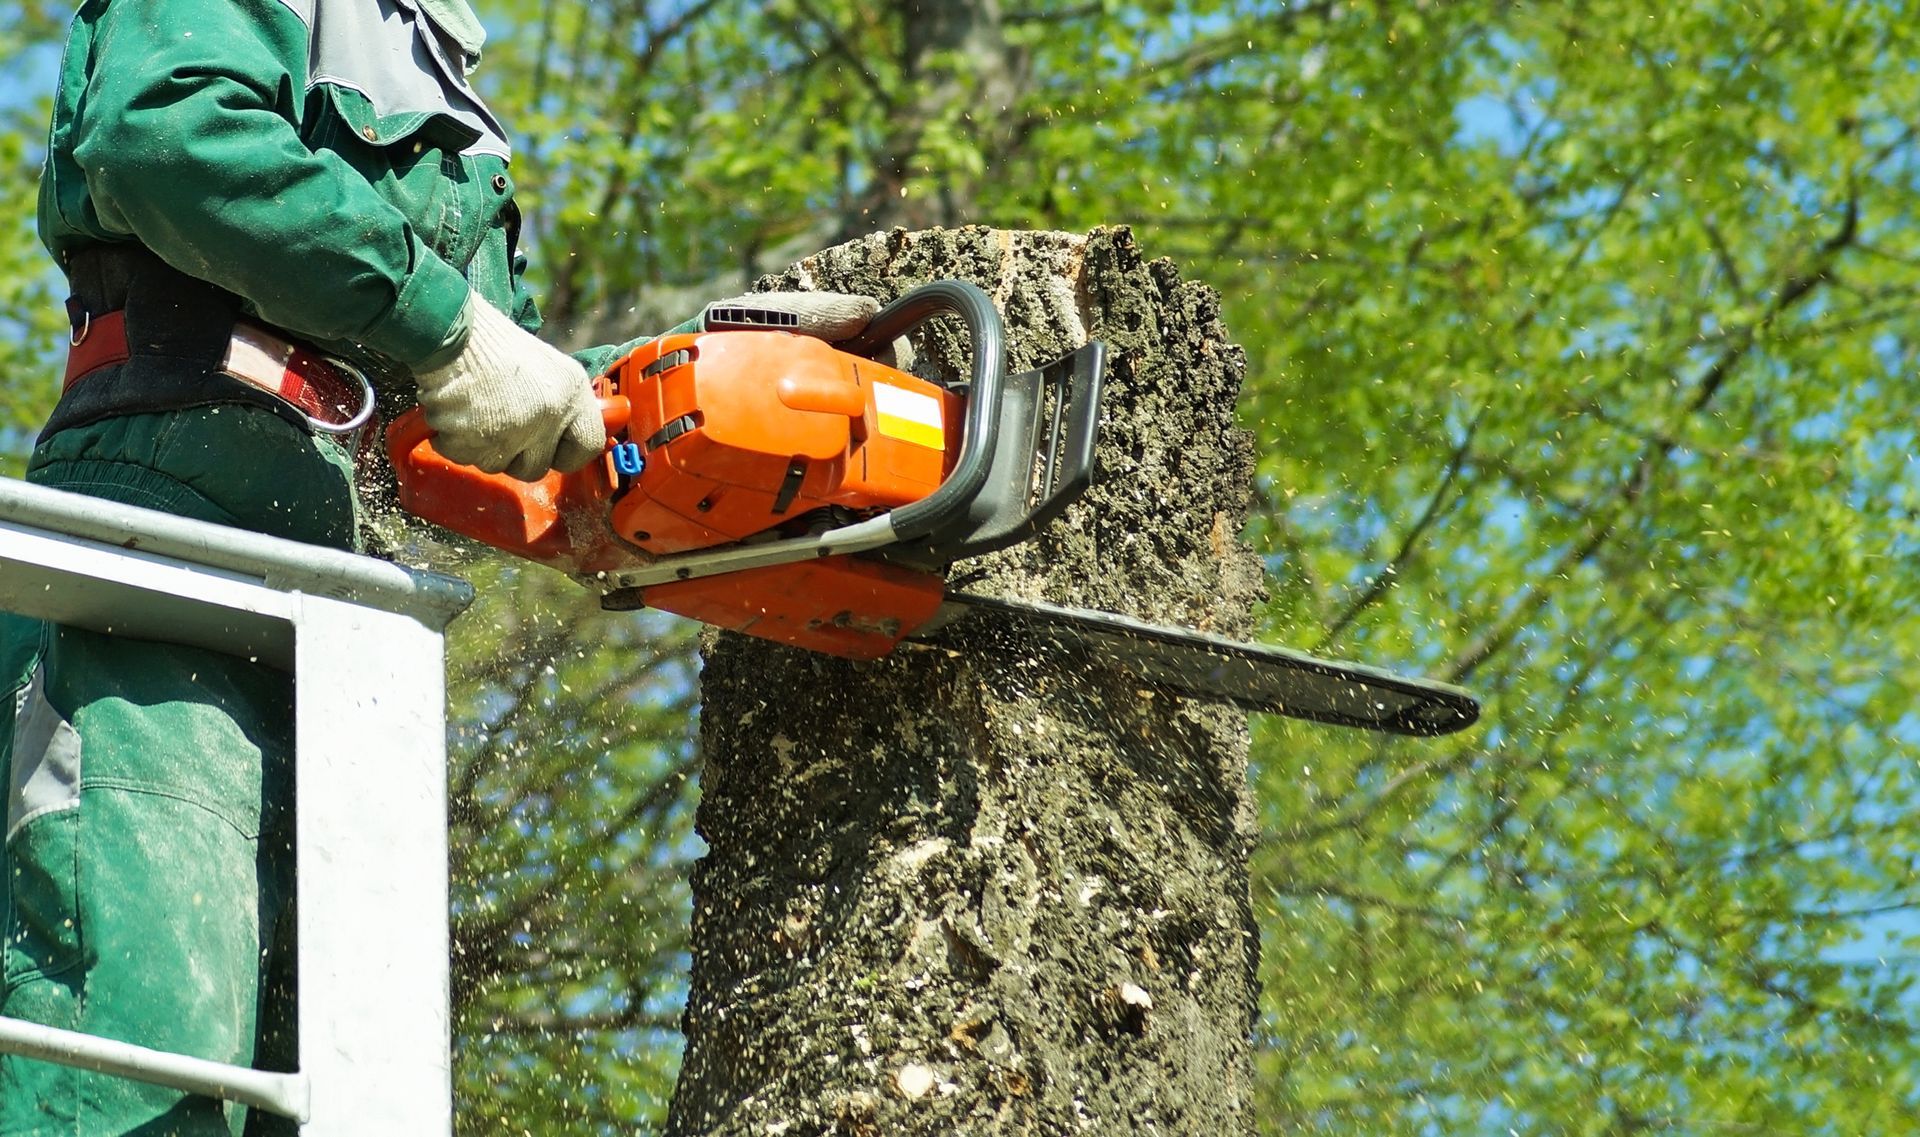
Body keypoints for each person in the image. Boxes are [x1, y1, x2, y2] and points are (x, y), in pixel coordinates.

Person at [0, 2, 877, 1132]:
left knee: (341, 1093)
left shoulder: (434, 64)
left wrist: (704, 391)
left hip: (347, 609)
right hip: (164, 544)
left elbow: (512, 405)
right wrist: (445, 324)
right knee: (138, 1049)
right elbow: (166, 134)